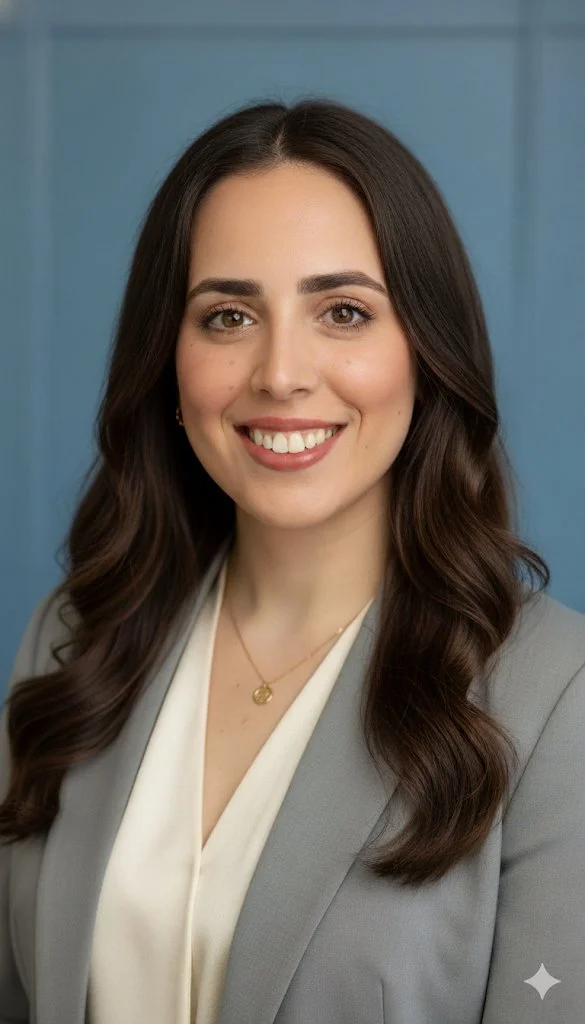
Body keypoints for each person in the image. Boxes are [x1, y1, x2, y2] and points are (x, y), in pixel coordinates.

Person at [1, 98, 584, 1024]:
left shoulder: (556, 696)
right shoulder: (72, 640)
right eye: (228, 315)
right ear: (169, 360)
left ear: (424, 352)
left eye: (343, 312)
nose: (279, 373)